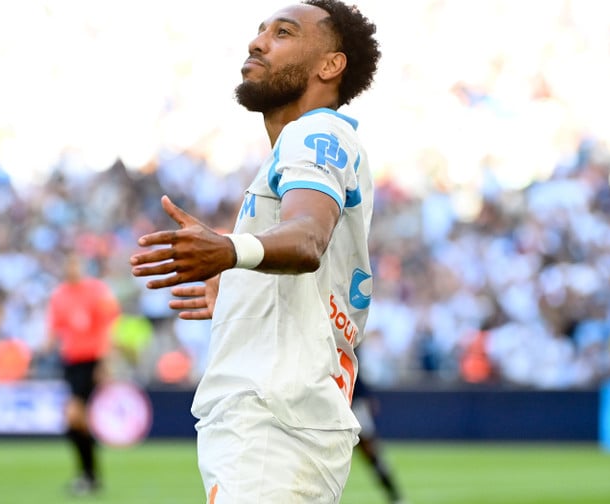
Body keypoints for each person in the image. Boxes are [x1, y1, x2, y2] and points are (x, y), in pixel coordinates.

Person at [129, 1, 381, 501]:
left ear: (330, 65)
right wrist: (242, 284)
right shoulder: (306, 145)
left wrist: (230, 251)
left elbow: (307, 238)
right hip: (281, 422)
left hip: (272, 424)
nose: (257, 42)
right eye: (261, 30)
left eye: (283, 33)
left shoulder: (315, 131)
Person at [43, 252, 120, 495]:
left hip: (91, 361)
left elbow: (108, 327)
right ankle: (90, 476)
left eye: (75, 264)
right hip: (71, 362)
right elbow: (54, 330)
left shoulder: (97, 291)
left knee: (73, 416)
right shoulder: (59, 295)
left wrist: (105, 362)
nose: (72, 269)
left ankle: (88, 475)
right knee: (78, 422)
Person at [351, 374, 406, 504]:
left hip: (354, 405)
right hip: (337, 404)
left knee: (372, 453)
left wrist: (365, 396)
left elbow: (355, 373)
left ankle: (395, 497)